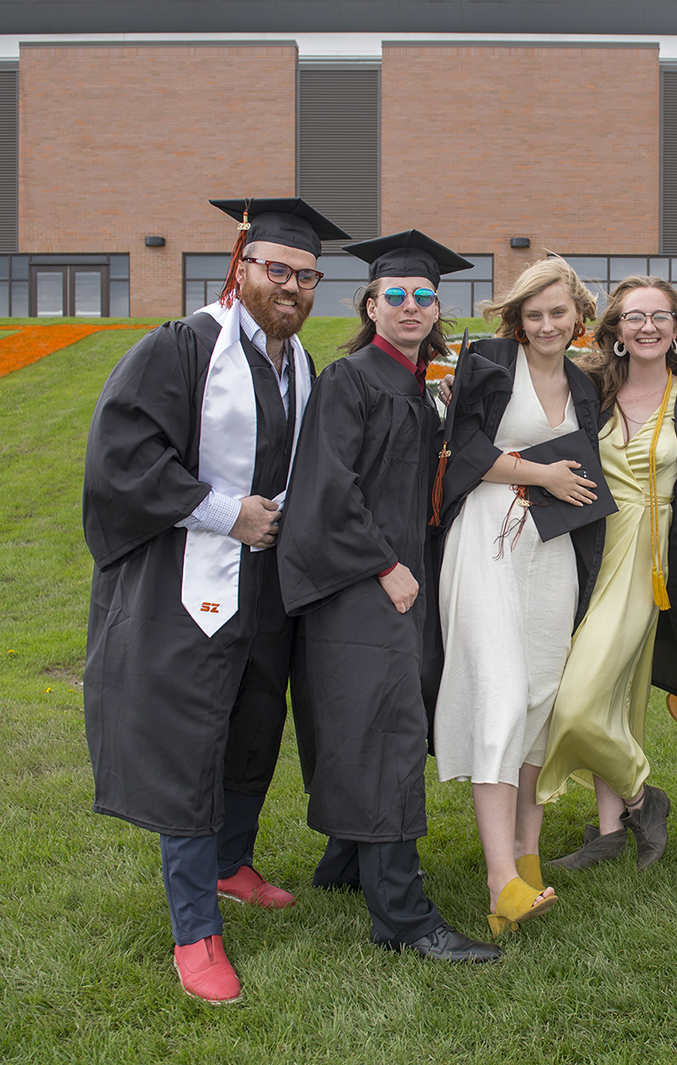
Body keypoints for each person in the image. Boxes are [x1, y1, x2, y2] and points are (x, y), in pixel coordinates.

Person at [82, 197, 346, 1003]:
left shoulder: (298, 363)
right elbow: (123, 455)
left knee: (254, 727)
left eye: (307, 276)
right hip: (188, 582)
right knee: (192, 746)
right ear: (241, 266)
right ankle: (195, 929)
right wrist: (226, 511)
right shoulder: (182, 348)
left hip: (266, 583)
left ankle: (231, 863)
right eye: (278, 270)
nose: (293, 287)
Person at [277, 229, 501, 963]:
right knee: (389, 733)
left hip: (402, 582)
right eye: (395, 296)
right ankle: (402, 915)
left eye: (423, 297)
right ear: (370, 305)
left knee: (372, 724)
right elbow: (327, 486)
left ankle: (345, 864)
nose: (410, 306)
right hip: (363, 585)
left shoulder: (421, 384)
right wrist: (384, 565)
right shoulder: (351, 382)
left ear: (437, 308)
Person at [429, 256, 606, 933]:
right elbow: (462, 450)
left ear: (578, 315)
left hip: (550, 550)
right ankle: (500, 877)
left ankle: (528, 862)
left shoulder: (585, 384)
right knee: (501, 692)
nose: (545, 324)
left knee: (538, 697)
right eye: (533, 313)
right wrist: (541, 473)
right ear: (517, 318)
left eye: (557, 312)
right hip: (488, 543)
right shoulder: (491, 366)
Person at [536, 275, 677, 872]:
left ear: (676, 328)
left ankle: (643, 794)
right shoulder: (590, 390)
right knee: (607, 692)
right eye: (634, 317)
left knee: (582, 699)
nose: (647, 326)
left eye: (660, 316)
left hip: (654, 558)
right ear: (614, 330)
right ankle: (613, 828)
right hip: (587, 547)